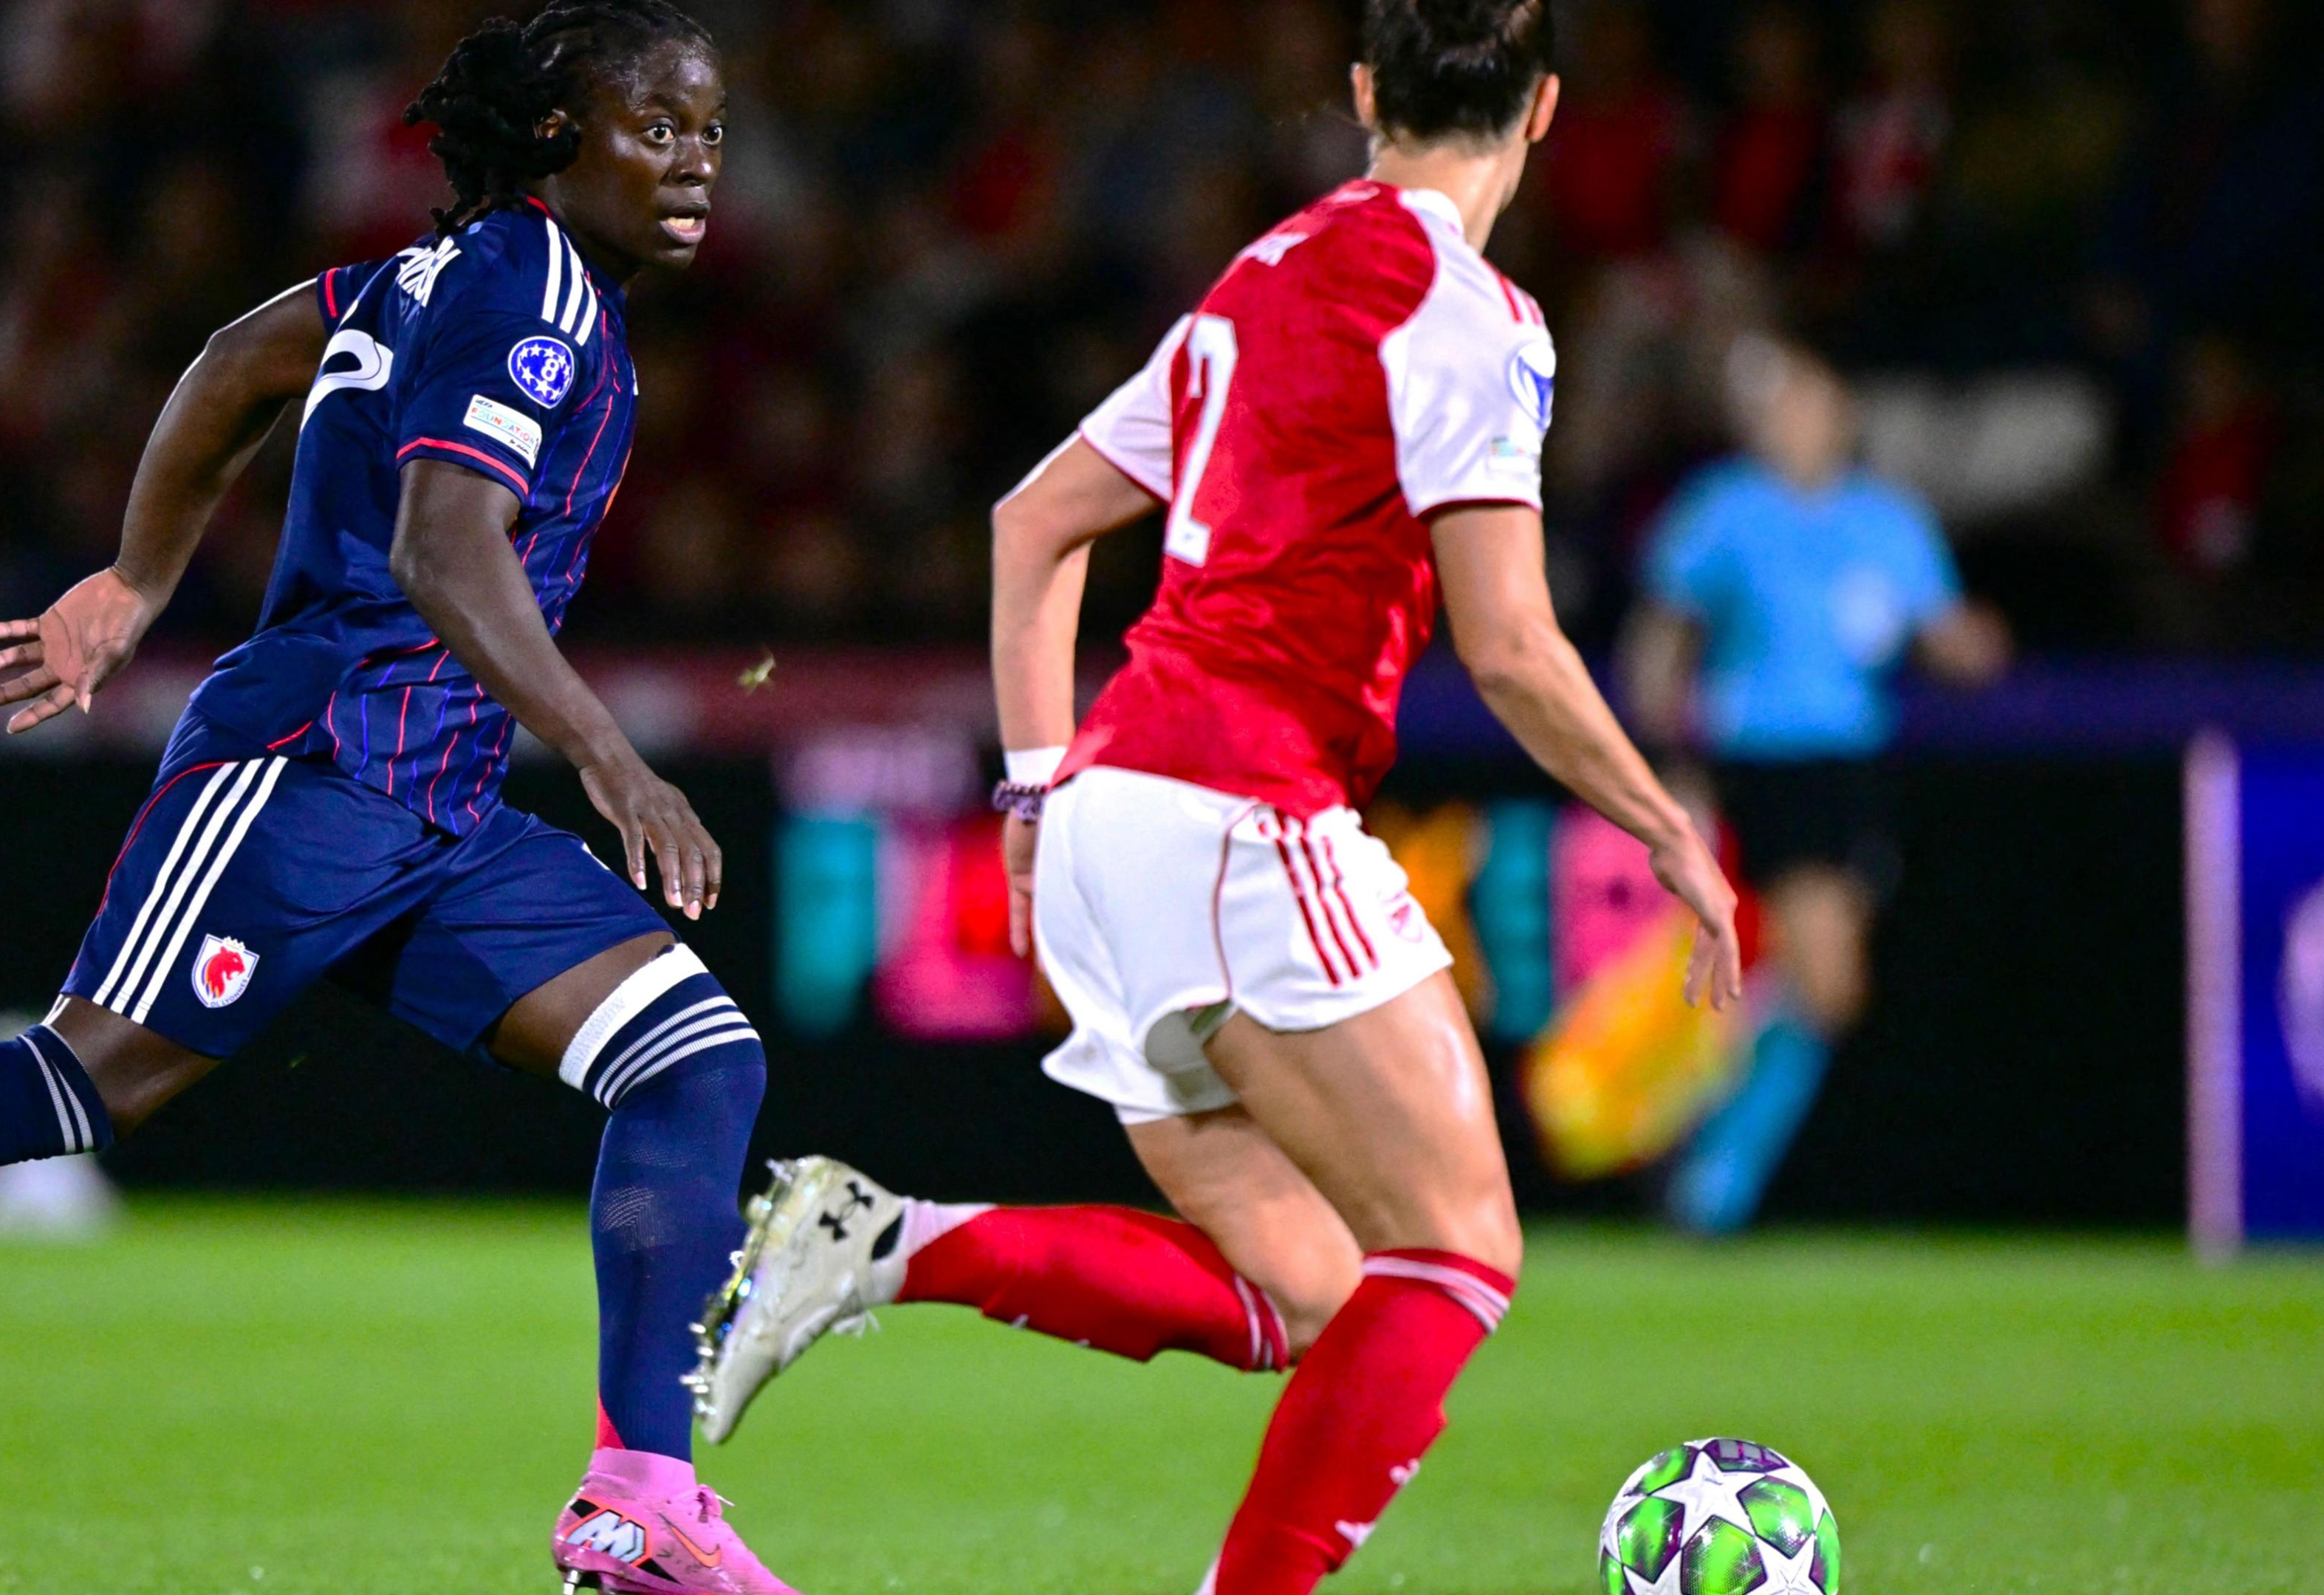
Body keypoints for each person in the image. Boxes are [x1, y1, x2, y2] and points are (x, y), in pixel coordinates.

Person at [0, 7, 800, 1591]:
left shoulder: (422, 280)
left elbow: (234, 360)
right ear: (555, 141)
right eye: (656, 127)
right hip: (315, 766)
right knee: (81, 1085)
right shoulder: (528, 281)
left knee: (692, 1060)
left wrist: (136, 576)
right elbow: (442, 544)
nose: (695, 162)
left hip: (436, 804)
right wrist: (613, 758)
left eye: (711, 131)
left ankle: (640, 1500)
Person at [688, 4, 1741, 1592]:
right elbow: (1512, 644)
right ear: (1542, 116)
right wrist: (1667, 828)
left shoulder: (1261, 279)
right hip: (1242, 805)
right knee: (1455, 1251)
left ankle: (881, 1243)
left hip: (1118, 809)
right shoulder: (1471, 316)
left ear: (1367, 92)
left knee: (1311, 1289)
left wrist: (1035, 793)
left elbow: (1033, 523)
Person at [1622, 333, 2008, 1233]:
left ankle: (1701, 1137)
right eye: (1775, 407)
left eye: (1805, 402)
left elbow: (1943, 634)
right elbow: (1662, 638)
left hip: (1854, 768)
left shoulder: (1887, 521)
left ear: (1840, 415)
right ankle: (1713, 1180)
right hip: (1765, 759)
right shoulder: (1725, 510)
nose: (1789, 421)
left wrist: (1978, 645)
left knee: (1819, 986)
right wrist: (1661, 759)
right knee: (1824, 978)